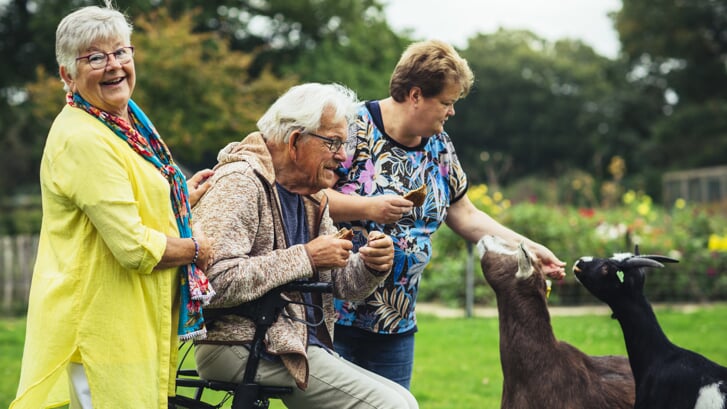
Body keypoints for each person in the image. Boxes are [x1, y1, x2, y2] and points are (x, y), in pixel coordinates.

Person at [327, 39, 567, 389]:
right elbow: (311, 196)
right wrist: (368, 207)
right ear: (415, 95)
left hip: (397, 324)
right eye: (446, 102)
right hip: (337, 318)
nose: (451, 112)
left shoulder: (439, 144)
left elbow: (466, 215)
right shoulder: (352, 128)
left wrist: (528, 249)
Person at [11, 3, 215, 409]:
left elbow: (127, 200)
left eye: (121, 52)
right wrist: (197, 249)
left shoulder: (124, 121)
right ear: (67, 74)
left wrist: (180, 196)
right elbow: (135, 247)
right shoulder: (83, 137)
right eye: (96, 58)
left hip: (131, 320)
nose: (114, 66)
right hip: (101, 324)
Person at [191, 82, 418, 409]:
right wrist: (306, 257)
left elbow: (341, 284)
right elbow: (211, 282)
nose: (343, 156)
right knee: (390, 406)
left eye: (345, 143)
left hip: (286, 344)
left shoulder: (311, 196)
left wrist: (370, 265)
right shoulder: (240, 182)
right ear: (296, 140)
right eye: (333, 143)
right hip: (237, 344)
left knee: (403, 400)